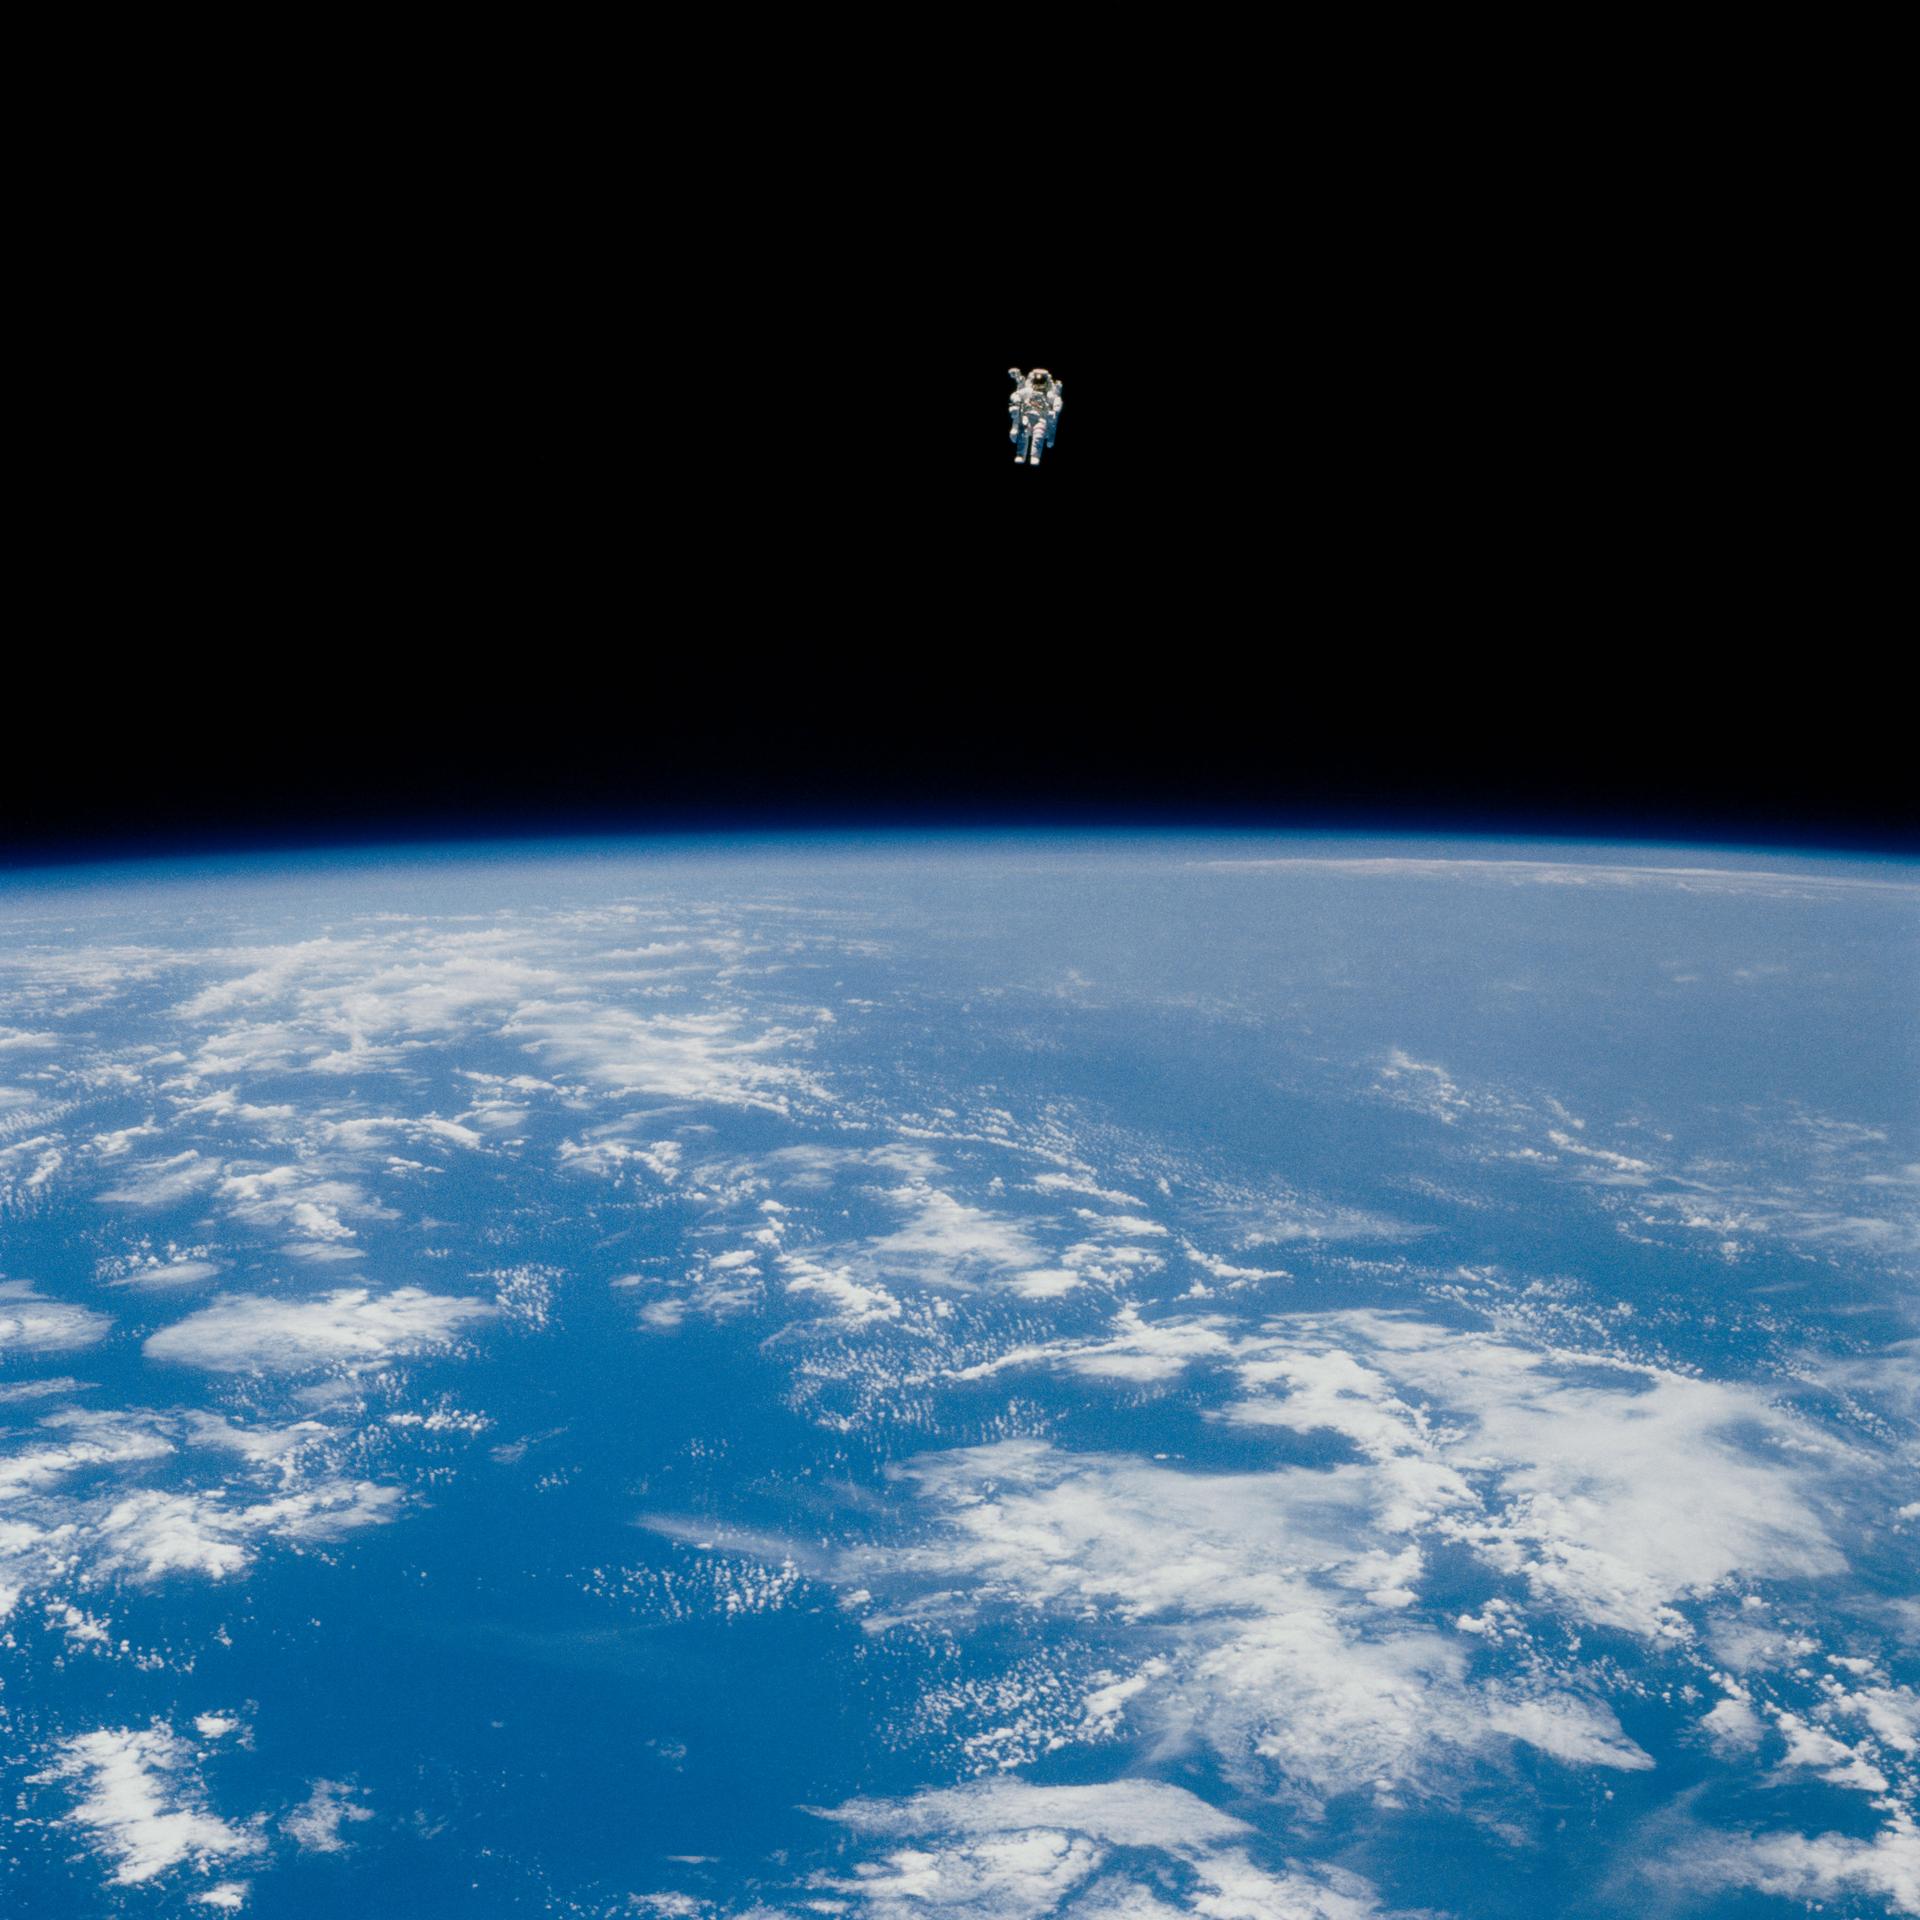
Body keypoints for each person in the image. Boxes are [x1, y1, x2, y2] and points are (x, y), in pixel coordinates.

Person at [1008, 368, 1064, 462]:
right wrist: (1016, 401)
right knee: (1023, 434)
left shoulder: (1049, 395)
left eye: (1041, 383)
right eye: (1037, 382)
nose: (1039, 385)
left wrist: (1056, 409)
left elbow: (1057, 400)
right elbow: (1015, 395)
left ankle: (1035, 456)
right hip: (1027, 417)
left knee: (1039, 435)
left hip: (1041, 419)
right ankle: (1021, 454)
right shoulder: (1028, 391)